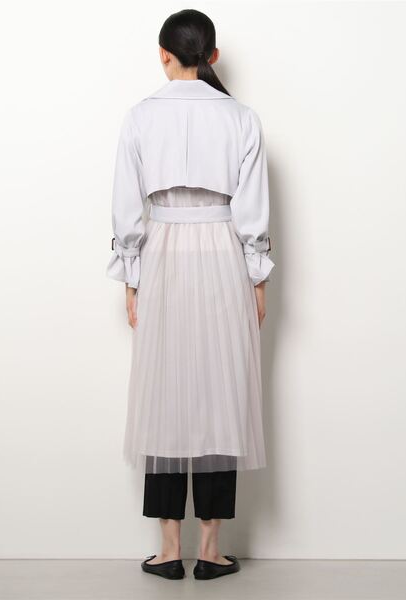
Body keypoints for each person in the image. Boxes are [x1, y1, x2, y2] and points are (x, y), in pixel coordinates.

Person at [106, 9, 275, 581]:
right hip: (222, 254)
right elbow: (252, 211)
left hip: (162, 254)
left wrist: (132, 278)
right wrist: (258, 278)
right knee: (220, 396)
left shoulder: (139, 117)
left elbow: (126, 209)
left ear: (162, 53)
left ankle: (167, 549)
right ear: (213, 56)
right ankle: (211, 549)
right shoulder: (241, 117)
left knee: (164, 393)